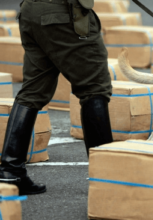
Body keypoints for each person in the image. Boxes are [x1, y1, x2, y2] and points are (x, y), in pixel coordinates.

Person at [0, 0, 113, 195]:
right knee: (94, 87)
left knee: (33, 90)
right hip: (64, 13)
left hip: (32, 11)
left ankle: (11, 171)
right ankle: (107, 179)